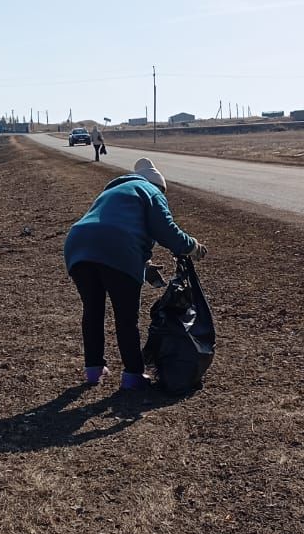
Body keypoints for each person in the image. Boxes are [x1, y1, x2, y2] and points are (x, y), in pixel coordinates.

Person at [64, 157, 204, 390]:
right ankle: (133, 375)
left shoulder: (114, 190)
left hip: (79, 246)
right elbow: (166, 231)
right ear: (160, 186)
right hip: (117, 249)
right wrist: (192, 246)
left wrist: (144, 265)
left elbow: (113, 227)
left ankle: (93, 370)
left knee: (93, 311)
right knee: (126, 318)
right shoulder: (152, 191)